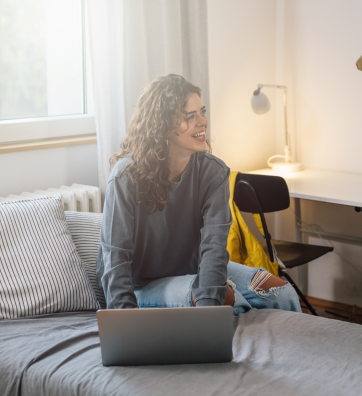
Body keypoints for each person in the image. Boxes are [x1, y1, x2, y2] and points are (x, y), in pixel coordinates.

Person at [96, 74, 301, 315]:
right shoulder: (126, 177)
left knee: (280, 292)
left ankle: (292, 351)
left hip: (192, 271)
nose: (202, 121)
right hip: (140, 285)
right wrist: (124, 323)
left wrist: (208, 302)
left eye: (202, 112)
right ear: (161, 125)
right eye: (189, 117)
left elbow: (215, 248)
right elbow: (115, 257)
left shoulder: (213, 172)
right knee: (223, 296)